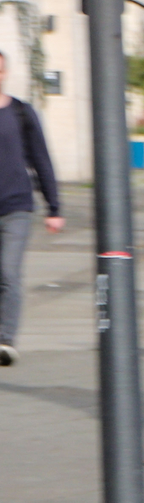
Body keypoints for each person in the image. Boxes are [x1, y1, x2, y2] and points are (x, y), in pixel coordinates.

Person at [0, 50, 64, 368]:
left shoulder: (21, 113)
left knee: (9, 273)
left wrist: (54, 206)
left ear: (5, 73)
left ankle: (6, 340)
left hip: (16, 206)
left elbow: (41, 159)